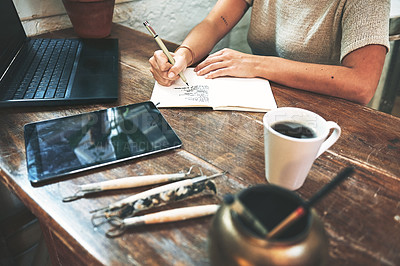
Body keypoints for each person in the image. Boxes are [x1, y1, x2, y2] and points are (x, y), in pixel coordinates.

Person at [148, 0, 390, 105]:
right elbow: (214, 23)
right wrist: (184, 54)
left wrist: (257, 65)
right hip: (259, 103)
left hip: (323, 117)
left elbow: (362, 85)